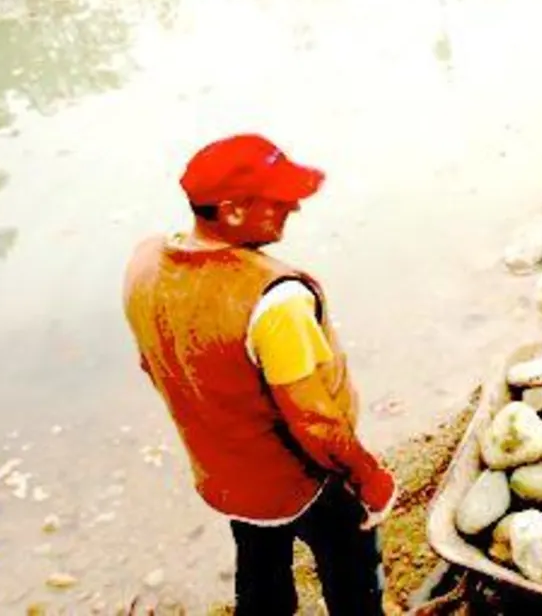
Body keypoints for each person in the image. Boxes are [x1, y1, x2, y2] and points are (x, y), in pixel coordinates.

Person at [122, 134, 397, 616]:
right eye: (279, 202)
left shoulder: (144, 265)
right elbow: (314, 423)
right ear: (231, 211)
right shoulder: (275, 301)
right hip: (300, 477)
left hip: (224, 474)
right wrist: (368, 476)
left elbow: (154, 365)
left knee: (260, 563)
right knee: (351, 564)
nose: (293, 208)